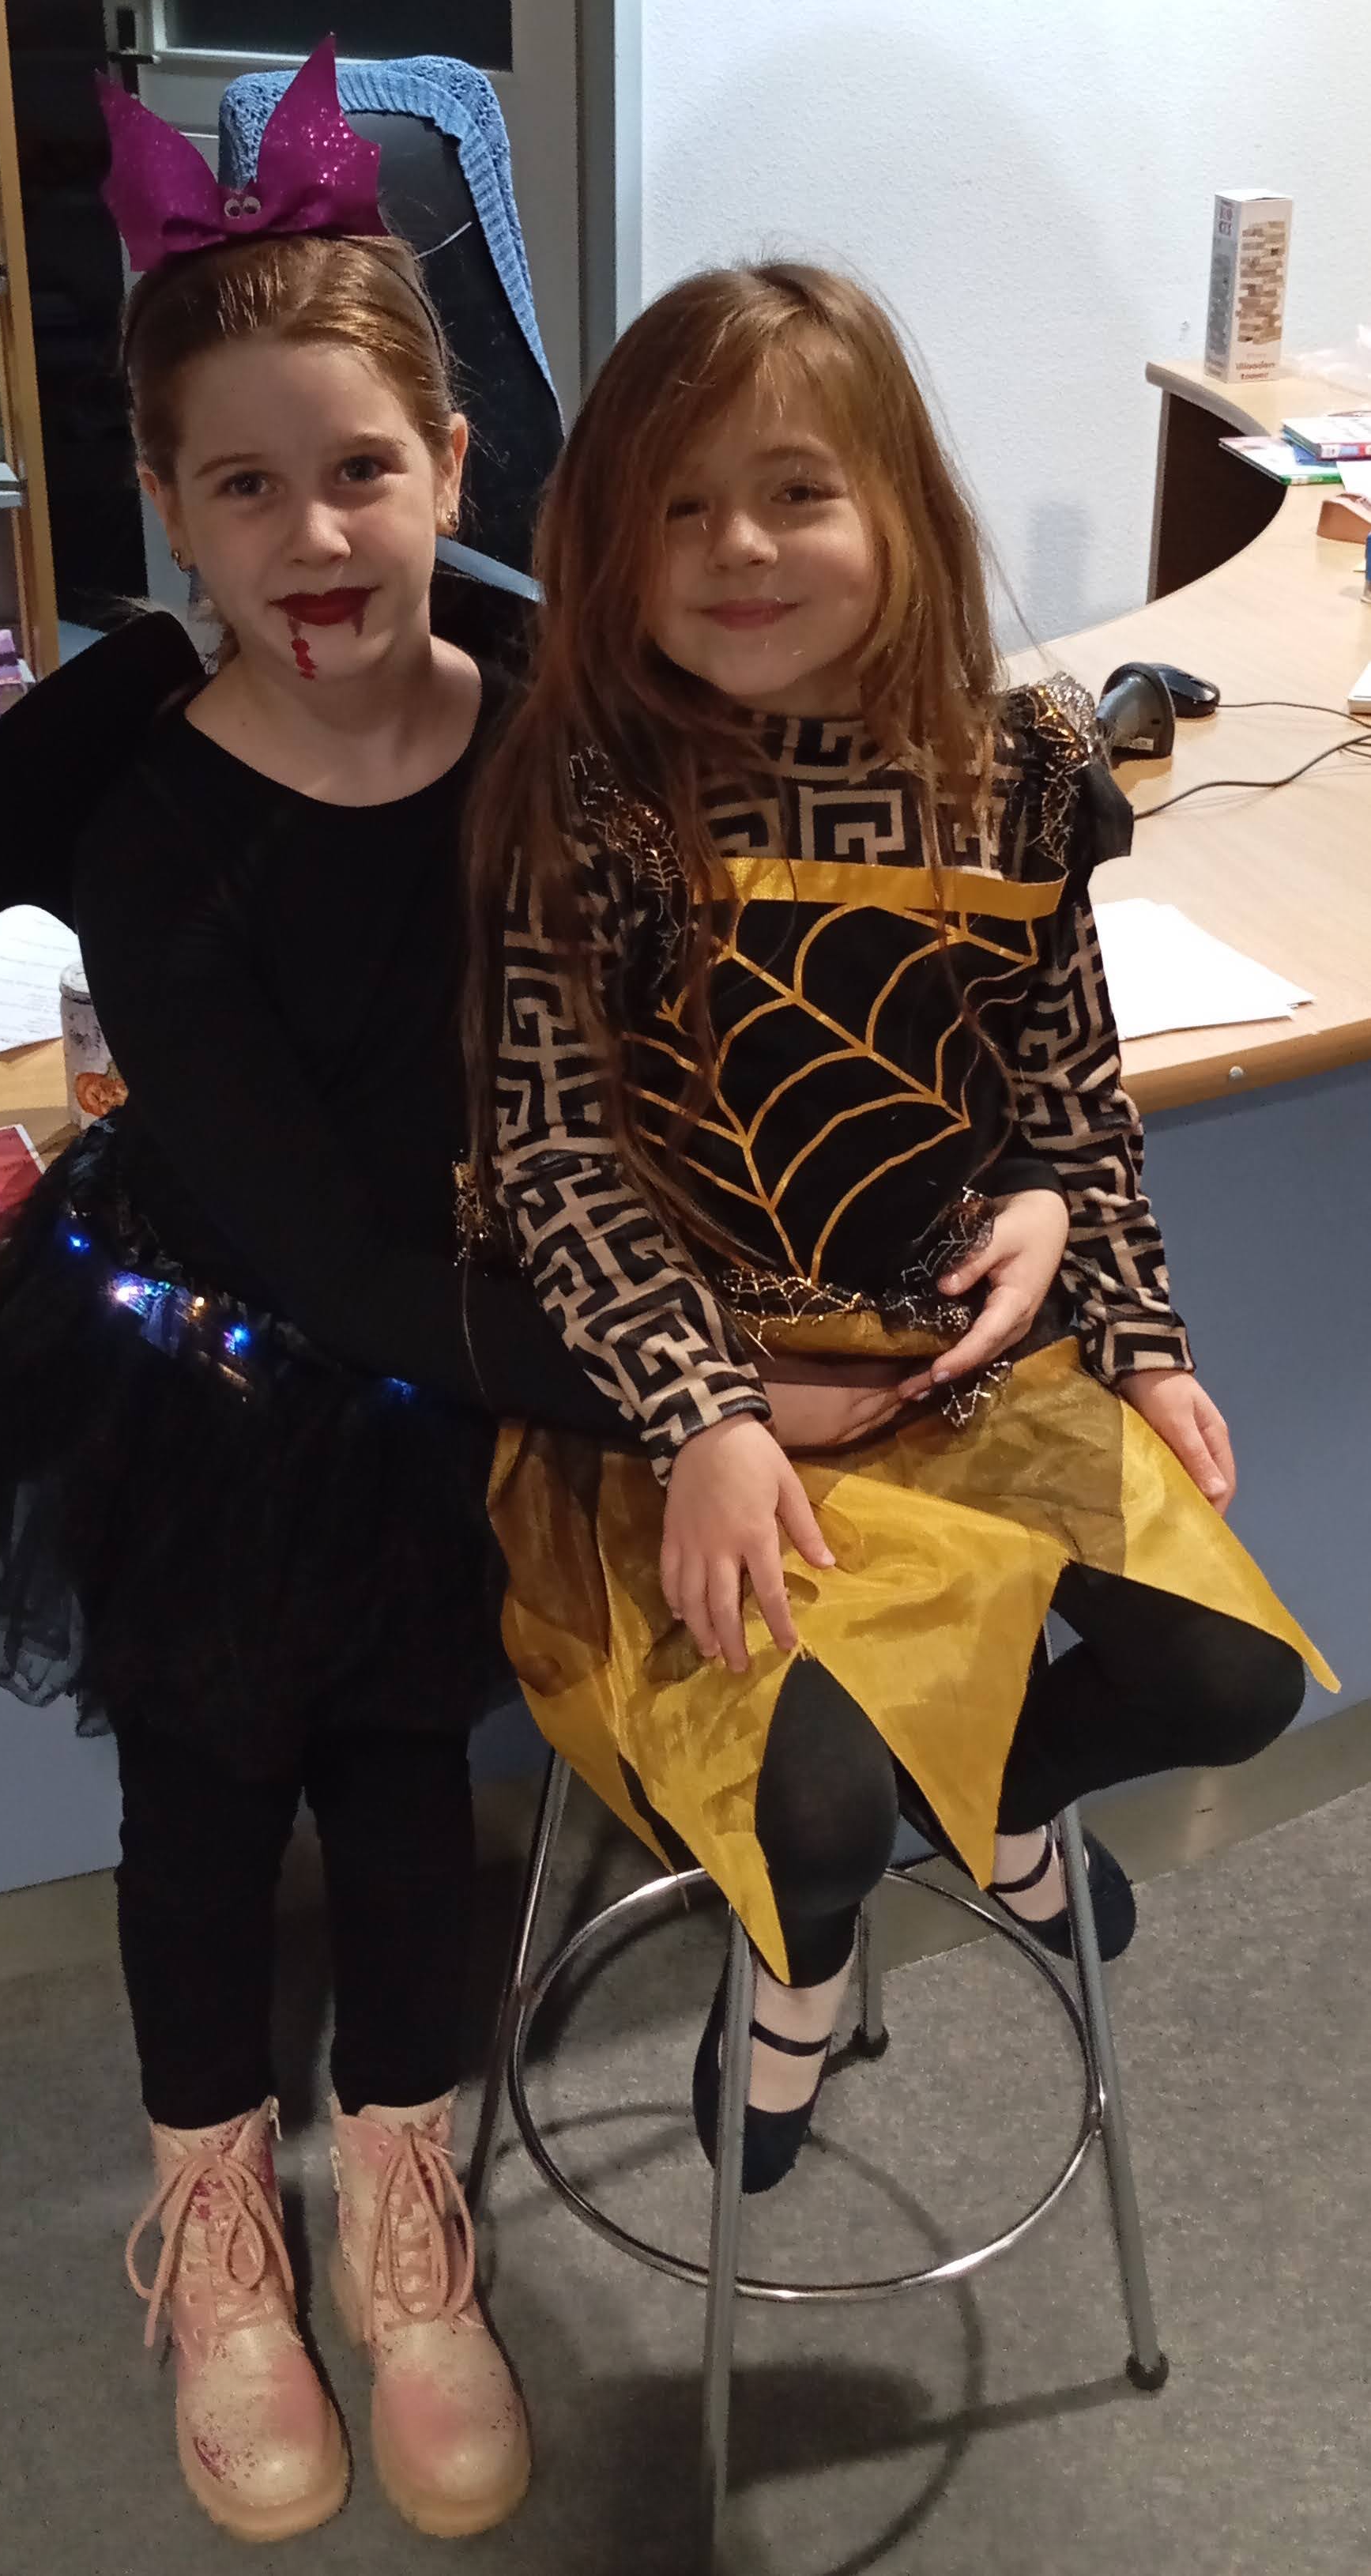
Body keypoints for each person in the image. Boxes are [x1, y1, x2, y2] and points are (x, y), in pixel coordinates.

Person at [0, 50, 620, 2546]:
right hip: (208, 1369)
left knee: (407, 1782)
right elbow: (313, 1232)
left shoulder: (548, 737)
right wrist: (662, 1382)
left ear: (452, 468)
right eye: (246, 485)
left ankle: (399, 2179)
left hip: (447, 1371)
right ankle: (211, 2204)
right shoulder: (148, 813)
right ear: (167, 508)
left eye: (359, 469)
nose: (313, 532)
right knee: (201, 1797)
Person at [470, 262, 1333, 2196]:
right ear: (607, 541)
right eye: (679, 506)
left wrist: (1140, 1337)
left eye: (794, 491)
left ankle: (1004, 1813)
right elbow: (551, 1154)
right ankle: (800, 1970)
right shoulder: (592, 792)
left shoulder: (1012, 769)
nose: (736, 546)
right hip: (690, 1399)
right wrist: (701, 1411)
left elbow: (1065, 1085)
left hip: (954, 1373)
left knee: (1229, 1677)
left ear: (901, 511)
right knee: (818, 1817)